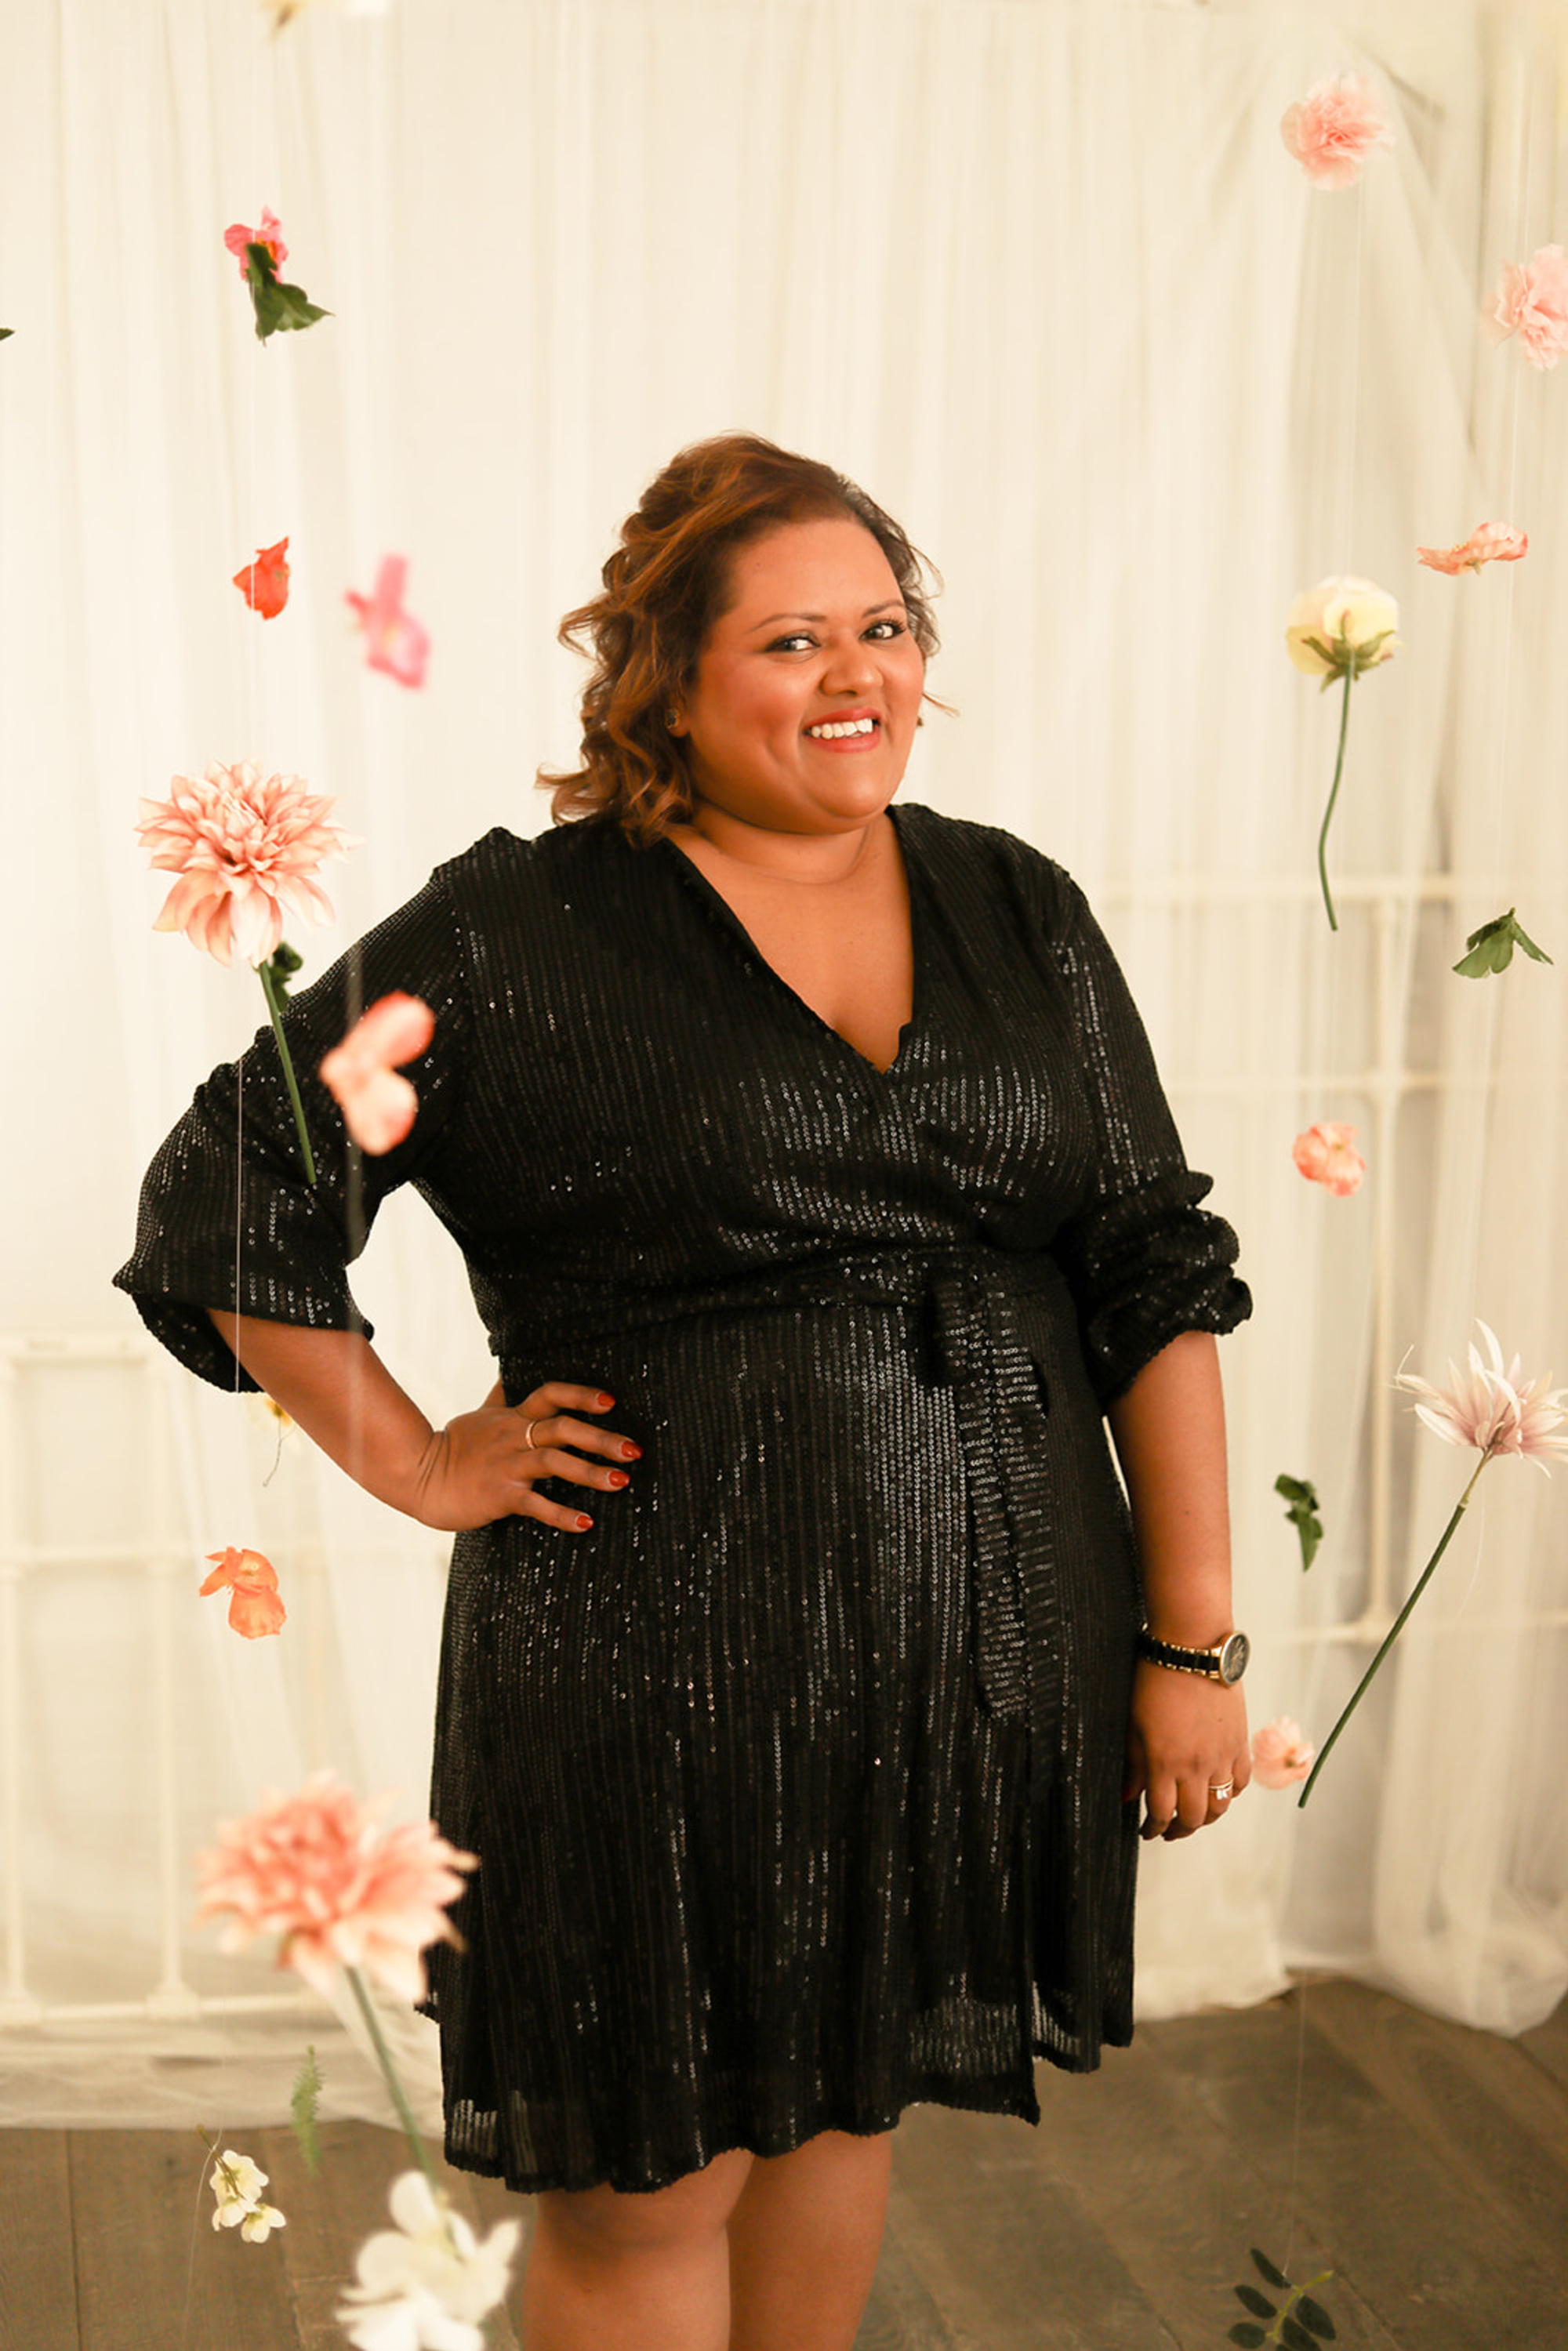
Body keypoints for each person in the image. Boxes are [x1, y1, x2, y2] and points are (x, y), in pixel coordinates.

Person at [117, 433, 1252, 2351]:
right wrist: (412, 1458)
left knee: (837, 2114)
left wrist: (1193, 1643)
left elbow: (1146, 1261)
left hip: (977, 1630)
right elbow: (234, 1185)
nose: (856, 676)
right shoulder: (515, 936)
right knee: (649, 2190)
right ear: (667, 679)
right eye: (791, 641)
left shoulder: (1018, 907)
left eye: (883, 628)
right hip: (656, 1657)